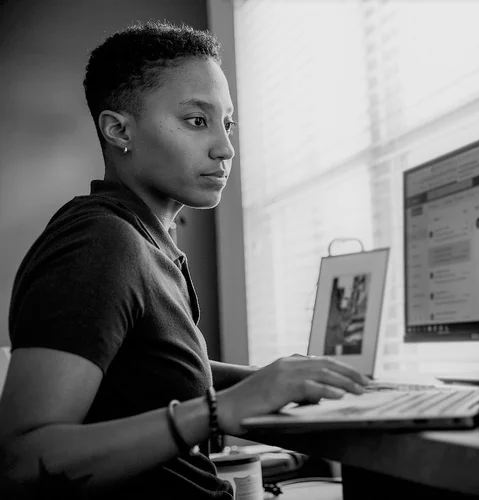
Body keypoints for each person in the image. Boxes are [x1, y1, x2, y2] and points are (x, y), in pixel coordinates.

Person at [0, 21, 369, 500]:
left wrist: (272, 380)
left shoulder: (145, 240)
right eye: (197, 121)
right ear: (118, 130)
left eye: (227, 123)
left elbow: (148, 369)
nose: (225, 148)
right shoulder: (101, 242)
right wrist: (218, 411)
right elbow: (20, 460)